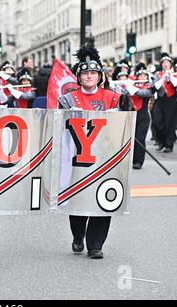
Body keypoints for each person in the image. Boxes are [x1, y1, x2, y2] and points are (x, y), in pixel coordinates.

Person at [58, 43, 129, 259]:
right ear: (78, 77)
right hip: (78, 157)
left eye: (93, 73)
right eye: (85, 73)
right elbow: (59, 128)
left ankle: (96, 244)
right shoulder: (68, 99)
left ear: (100, 76)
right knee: (78, 200)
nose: (89, 76)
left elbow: (127, 124)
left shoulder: (114, 97)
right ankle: (78, 236)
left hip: (107, 157)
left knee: (103, 199)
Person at [153, 53, 177, 153]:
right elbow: (156, 87)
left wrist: (171, 75)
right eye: (164, 63)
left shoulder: (175, 74)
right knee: (157, 121)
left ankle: (169, 144)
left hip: (171, 100)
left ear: (170, 64)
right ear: (161, 64)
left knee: (169, 123)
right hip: (160, 100)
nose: (165, 64)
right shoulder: (157, 74)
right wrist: (163, 77)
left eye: (167, 63)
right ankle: (161, 141)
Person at [128, 63, 153, 169]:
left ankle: (139, 161)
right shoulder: (131, 86)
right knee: (132, 140)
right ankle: (132, 160)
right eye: (140, 76)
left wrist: (133, 89)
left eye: (145, 76)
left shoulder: (149, 87)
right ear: (137, 77)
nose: (143, 78)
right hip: (133, 116)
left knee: (140, 138)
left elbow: (144, 94)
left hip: (143, 117)